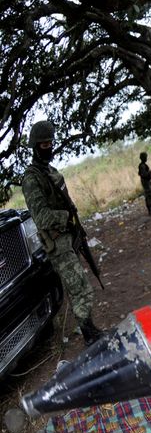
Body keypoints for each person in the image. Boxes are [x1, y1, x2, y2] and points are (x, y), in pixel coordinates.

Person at [21, 120, 103, 346]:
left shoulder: (50, 171)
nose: (49, 147)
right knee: (79, 287)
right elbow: (41, 217)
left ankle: (90, 329)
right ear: (35, 147)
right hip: (57, 243)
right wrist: (65, 217)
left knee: (81, 285)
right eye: (44, 144)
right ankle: (89, 336)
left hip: (68, 237)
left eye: (50, 143)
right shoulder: (31, 179)